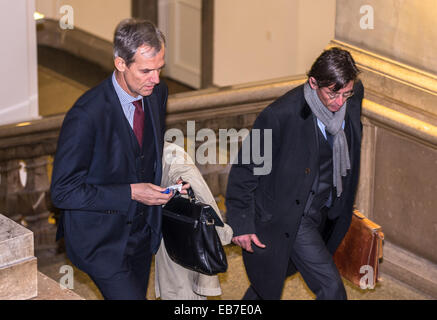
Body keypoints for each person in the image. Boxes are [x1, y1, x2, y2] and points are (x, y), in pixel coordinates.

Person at [50, 18, 188, 300]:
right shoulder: (85, 116)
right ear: (120, 63)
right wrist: (131, 192)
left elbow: (146, 153)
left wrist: (169, 182)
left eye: (160, 69)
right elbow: (63, 192)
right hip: (100, 241)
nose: (156, 79)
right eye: (146, 70)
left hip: (143, 232)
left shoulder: (156, 93)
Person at [225, 47, 364, 300]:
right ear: (313, 82)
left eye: (346, 93)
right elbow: (245, 171)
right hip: (292, 217)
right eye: (333, 94)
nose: (340, 102)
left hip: (327, 212)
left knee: (267, 282)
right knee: (331, 288)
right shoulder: (279, 116)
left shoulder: (352, 97)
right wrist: (240, 223)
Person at [154, 142, 233, 300]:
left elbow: (192, 182)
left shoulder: (170, 154)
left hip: (171, 232)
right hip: (141, 232)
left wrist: (217, 232)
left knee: (181, 290)